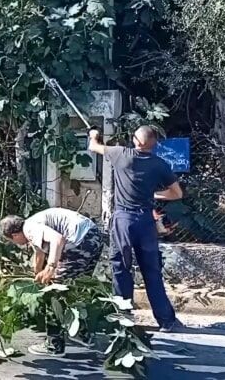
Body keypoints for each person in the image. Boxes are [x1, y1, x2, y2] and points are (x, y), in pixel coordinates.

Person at [88, 125, 184, 332]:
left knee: (121, 268)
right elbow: (177, 193)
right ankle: (166, 321)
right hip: (146, 222)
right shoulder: (160, 164)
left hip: (124, 220)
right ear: (154, 144)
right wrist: (154, 195)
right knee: (152, 271)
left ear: (135, 141)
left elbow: (94, 146)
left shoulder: (120, 154)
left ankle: (124, 318)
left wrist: (94, 134)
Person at [0, 207, 107, 356]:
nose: (16, 244)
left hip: (78, 242)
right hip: (93, 237)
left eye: (12, 241)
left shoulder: (30, 227)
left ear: (15, 235)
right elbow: (39, 255)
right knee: (76, 289)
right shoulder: (34, 224)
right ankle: (82, 334)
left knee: (54, 292)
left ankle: (54, 344)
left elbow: (57, 239)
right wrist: (35, 276)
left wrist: (51, 267)